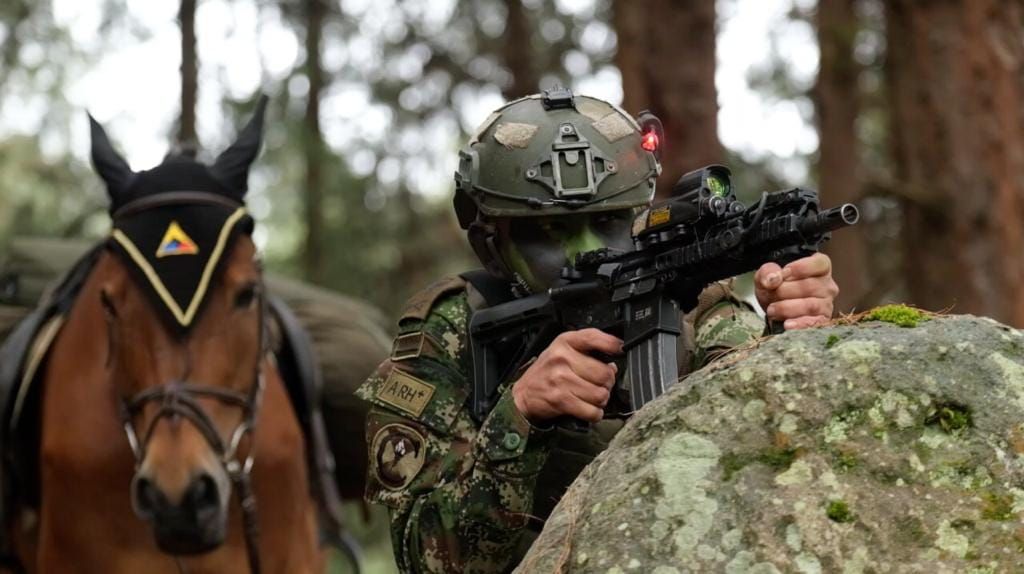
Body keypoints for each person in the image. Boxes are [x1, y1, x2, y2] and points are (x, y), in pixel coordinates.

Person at [356, 89, 839, 573]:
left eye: (608, 222)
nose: (587, 251)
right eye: (549, 230)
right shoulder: (449, 331)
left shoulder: (699, 305)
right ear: (490, 239)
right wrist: (519, 417)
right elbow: (423, 560)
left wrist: (791, 334)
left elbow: (777, 455)